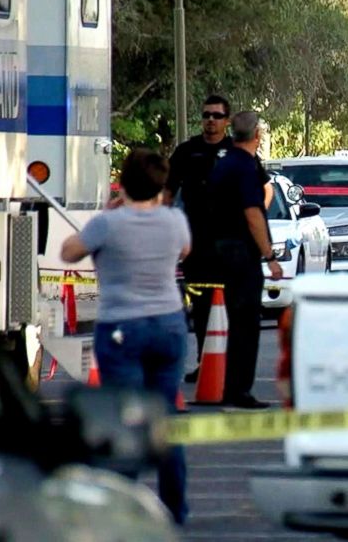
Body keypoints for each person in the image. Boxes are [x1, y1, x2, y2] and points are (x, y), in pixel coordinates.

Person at [60, 149, 191, 525]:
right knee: (167, 417)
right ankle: (175, 509)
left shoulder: (108, 224)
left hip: (121, 325)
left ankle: (122, 509)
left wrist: (109, 211)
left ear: (123, 183)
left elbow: (69, 252)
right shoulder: (175, 220)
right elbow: (185, 250)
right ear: (161, 185)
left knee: (125, 420)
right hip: (168, 322)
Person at [206, 111, 283, 409]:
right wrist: (270, 255)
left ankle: (231, 387)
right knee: (246, 323)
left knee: (236, 321)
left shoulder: (223, 164)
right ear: (257, 136)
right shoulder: (247, 166)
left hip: (222, 247)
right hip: (241, 252)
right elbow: (253, 213)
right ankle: (239, 390)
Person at [166, 95, 234, 383]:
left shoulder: (236, 151)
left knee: (230, 305)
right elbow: (168, 192)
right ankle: (206, 362)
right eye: (207, 115)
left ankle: (230, 365)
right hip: (197, 242)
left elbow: (262, 189)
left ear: (226, 121)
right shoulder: (186, 151)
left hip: (230, 243)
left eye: (217, 116)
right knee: (203, 306)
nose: (211, 120)